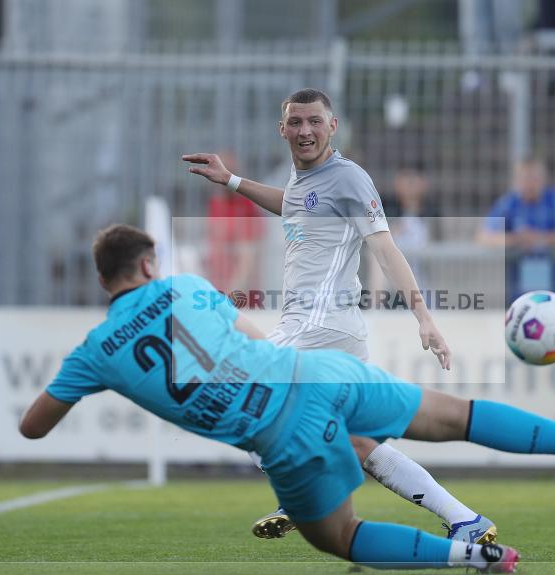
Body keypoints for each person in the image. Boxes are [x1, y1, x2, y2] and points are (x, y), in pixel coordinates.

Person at [20, 224, 555, 573]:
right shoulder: (187, 285)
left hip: (280, 437)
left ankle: (476, 554)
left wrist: (82, 380)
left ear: (104, 282)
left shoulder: (93, 352)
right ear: (150, 265)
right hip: (317, 373)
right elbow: (249, 335)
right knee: (456, 415)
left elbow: (33, 428)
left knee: (338, 539)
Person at [182, 89, 495, 546]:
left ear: (333, 126)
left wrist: (423, 315)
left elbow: (385, 248)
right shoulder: (305, 178)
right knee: (365, 447)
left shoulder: (348, 179)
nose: (304, 131)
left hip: (319, 325)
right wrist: (232, 181)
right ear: (282, 129)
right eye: (296, 122)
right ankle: (464, 519)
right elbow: (292, 203)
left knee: (235, 392)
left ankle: (301, 488)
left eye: (314, 122)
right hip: (330, 329)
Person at [475, 157, 555, 307]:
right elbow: (484, 237)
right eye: (525, 178)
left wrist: (540, 239)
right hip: (519, 296)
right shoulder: (508, 204)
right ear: (516, 180)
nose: (530, 184)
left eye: (535, 178)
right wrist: (516, 240)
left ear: (544, 179)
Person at [205, 151, 264, 296]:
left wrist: (232, 293)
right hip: (218, 282)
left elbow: (248, 257)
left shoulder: (246, 206)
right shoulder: (216, 203)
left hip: (239, 291)